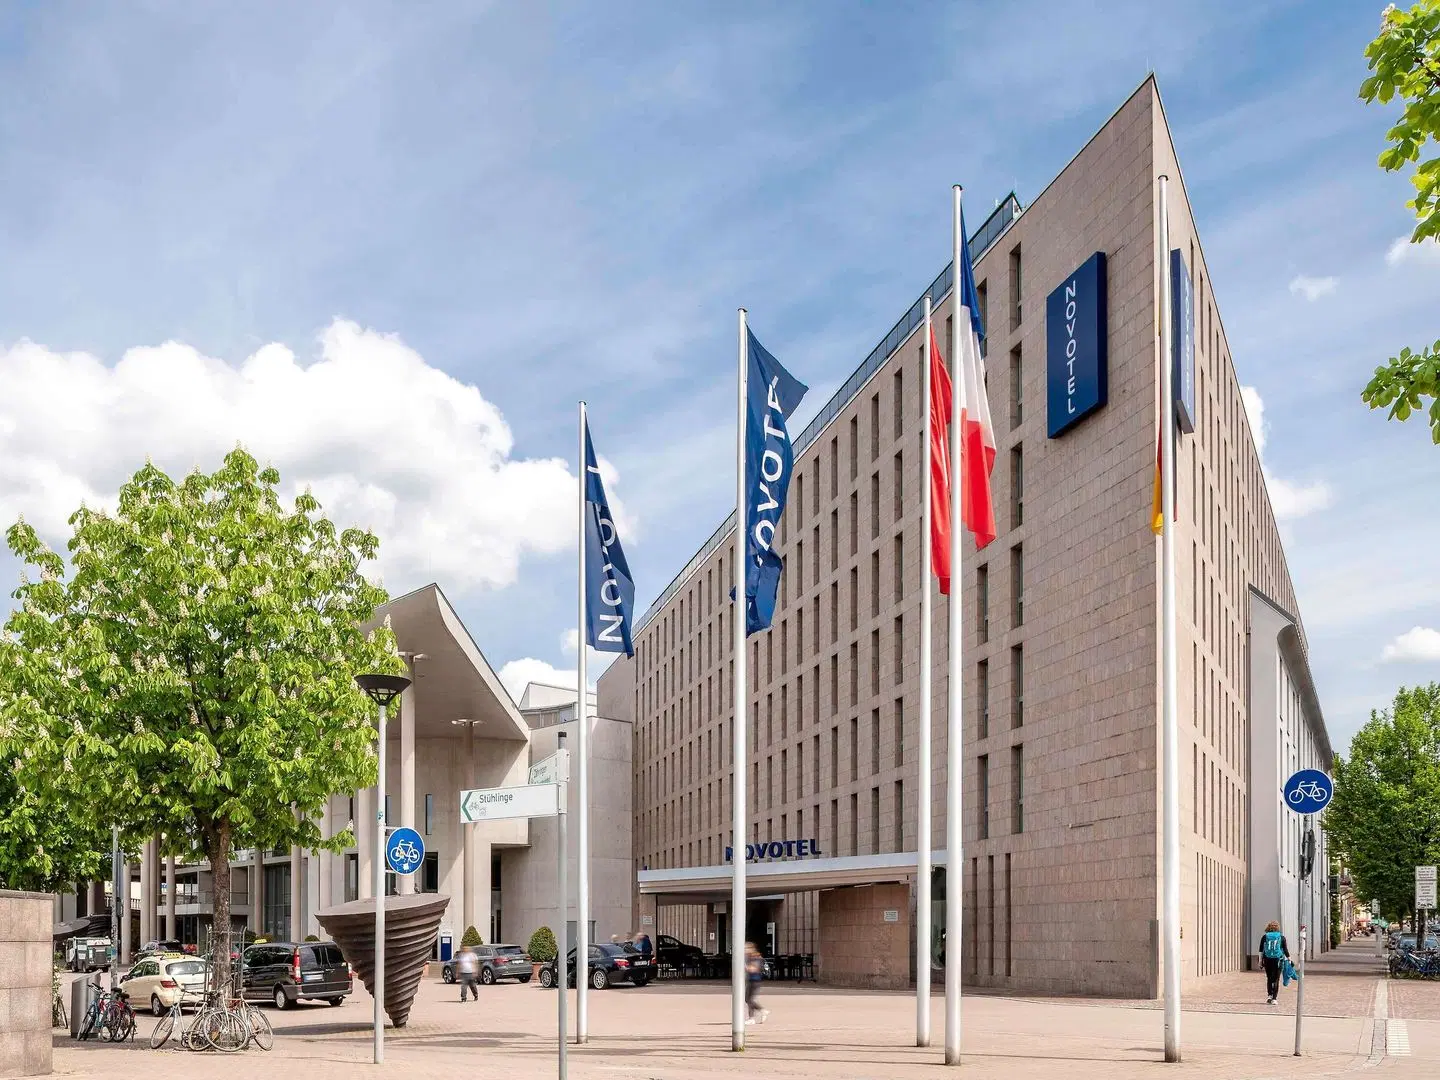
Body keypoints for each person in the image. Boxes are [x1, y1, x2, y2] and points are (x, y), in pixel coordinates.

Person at [1259, 921, 1289, 1005]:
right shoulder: (1281, 937)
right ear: (1277, 928)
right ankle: (1274, 999)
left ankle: (1269, 995)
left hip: (1267, 959)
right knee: (1276, 979)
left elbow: (1261, 950)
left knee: (1269, 977)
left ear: (1268, 928)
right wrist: (1289, 959)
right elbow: (1285, 950)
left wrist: (1260, 961)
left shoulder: (1265, 937)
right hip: (1278, 960)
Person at [744, 941, 767, 1025]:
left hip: (755, 980)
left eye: (746, 948)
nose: (745, 950)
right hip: (751, 980)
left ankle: (753, 1017)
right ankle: (761, 1011)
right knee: (747, 999)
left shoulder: (756, 957)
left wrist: (744, 966)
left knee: (750, 999)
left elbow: (754, 969)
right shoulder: (749, 957)